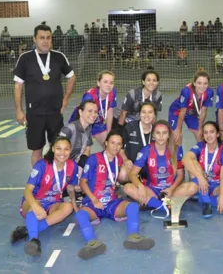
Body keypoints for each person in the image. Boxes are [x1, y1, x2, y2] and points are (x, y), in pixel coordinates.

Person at [75, 131, 154, 260]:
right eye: (112, 143)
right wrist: (94, 200)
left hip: (111, 203)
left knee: (133, 207)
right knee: (80, 215)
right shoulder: (94, 159)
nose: (115, 147)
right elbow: (82, 183)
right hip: (94, 203)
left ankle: (133, 237)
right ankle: (93, 243)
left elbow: (121, 178)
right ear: (106, 143)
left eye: (119, 144)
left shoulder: (119, 161)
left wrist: (136, 181)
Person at [13, 24, 76, 167]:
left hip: (55, 112)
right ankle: (37, 181)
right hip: (34, 113)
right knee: (37, 151)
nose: (45, 41)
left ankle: (57, 180)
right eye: (42, 38)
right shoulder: (25, 58)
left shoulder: (59, 57)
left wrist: (65, 99)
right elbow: (18, 85)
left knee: (57, 149)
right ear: (34, 39)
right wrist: (18, 109)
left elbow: (71, 77)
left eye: (48, 38)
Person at [9, 136, 78, 256]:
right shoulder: (41, 165)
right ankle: (34, 240)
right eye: (59, 148)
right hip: (33, 201)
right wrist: (35, 206)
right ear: (52, 149)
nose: (62, 153)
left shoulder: (72, 166)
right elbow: (27, 191)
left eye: (66, 149)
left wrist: (75, 206)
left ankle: (28, 230)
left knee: (68, 207)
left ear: (70, 150)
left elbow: (70, 188)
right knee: (36, 205)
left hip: (53, 203)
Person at [123, 120, 196, 218]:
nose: (161, 136)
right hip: (152, 190)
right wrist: (140, 186)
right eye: (158, 133)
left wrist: (171, 189)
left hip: (171, 190)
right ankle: (163, 206)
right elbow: (132, 174)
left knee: (194, 187)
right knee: (128, 187)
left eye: (164, 133)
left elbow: (180, 175)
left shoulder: (175, 150)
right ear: (153, 135)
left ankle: (151, 203)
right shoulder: (146, 150)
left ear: (169, 135)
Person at [182, 121, 223, 217]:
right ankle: (206, 201)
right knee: (193, 162)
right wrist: (200, 177)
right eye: (206, 132)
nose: (209, 135)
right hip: (201, 181)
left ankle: (202, 197)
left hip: (217, 186)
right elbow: (185, 159)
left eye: (212, 132)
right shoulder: (200, 146)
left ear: (218, 134)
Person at [69, 70, 117, 146]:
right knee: (78, 149)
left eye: (111, 83)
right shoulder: (90, 97)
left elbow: (110, 111)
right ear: (98, 83)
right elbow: (84, 118)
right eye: (105, 82)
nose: (108, 85)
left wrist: (108, 132)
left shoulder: (112, 92)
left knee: (109, 145)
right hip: (82, 122)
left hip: (98, 122)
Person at [168, 70, 214, 145]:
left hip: (191, 112)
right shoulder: (186, 91)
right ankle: (178, 156)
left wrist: (200, 128)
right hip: (177, 111)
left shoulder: (209, 92)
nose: (202, 86)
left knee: (200, 136)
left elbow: (203, 111)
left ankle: (202, 155)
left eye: (205, 83)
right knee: (177, 137)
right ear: (194, 83)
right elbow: (182, 112)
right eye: (199, 83)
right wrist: (178, 129)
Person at [120, 102, 157, 179]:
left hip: (150, 166)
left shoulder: (157, 130)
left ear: (154, 115)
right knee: (122, 175)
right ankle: (136, 179)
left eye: (150, 112)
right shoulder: (130, 127)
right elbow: (120, 148)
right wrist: (126, 160)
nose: (146, 115)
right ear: (139, 114)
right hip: (132, 165)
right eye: (143, 112)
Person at [60, 100, 98, 168]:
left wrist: (81, 165)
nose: (93, 114)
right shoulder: (69, 129)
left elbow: (87, 149)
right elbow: (58, 153)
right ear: (80, 112)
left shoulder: (88, 127)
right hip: (64, 166)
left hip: (76, 164)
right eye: (90, 111)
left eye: (95, 112)